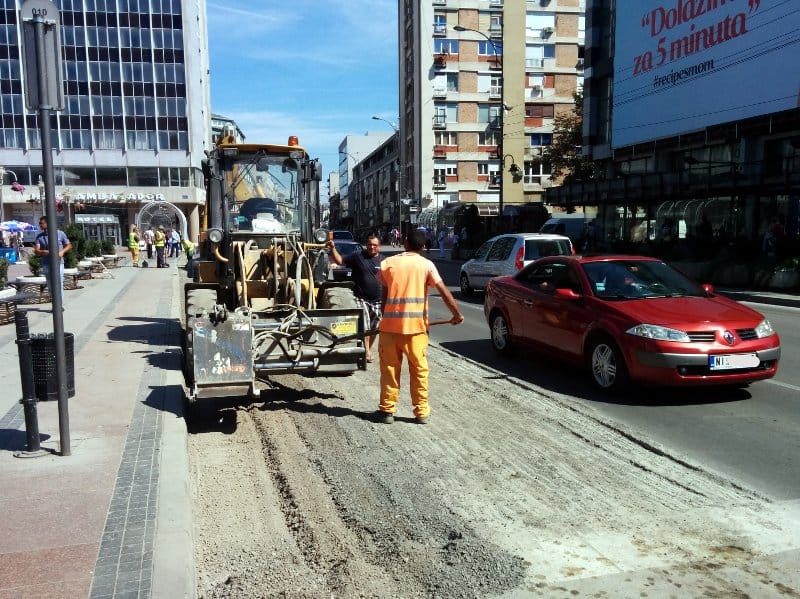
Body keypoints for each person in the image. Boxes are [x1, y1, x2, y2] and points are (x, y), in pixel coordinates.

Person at [375, 229, 464, 424]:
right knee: (419, 371)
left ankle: (387, 411)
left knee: (389, 369)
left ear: (405, 243)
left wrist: (383, 318)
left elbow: (384, 296)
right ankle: (421, 412)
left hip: (390, 328)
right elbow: (444, 292)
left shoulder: (388, 263)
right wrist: (456, 314)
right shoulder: (427, 265)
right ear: (423, 247)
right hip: (416, 330)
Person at [327, 234, 385, 363]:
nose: (371, 247)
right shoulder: (358, 256)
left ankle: (367, 349)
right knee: (365, 326)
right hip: (361, 298)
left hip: (378, 300)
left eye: (375, 245)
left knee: (375, 328)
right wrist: (333, 248)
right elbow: (340, 261)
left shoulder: (383, 261)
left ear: (379, 247)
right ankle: (367, 352)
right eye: (369, 244)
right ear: (366, 245)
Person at [34, 216, 73, 307]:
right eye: (39, 223)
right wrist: (43, 252)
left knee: (59, 284)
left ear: (47, 223)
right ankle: (55, 304)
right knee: (50, 285)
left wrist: (62, 252)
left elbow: (69, 245)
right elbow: (36, 250)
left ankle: (59, 306)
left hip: (58, 263)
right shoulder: (39, 236)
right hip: (46, 263)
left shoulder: (60, 233)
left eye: (41, 223)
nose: (40, 225)